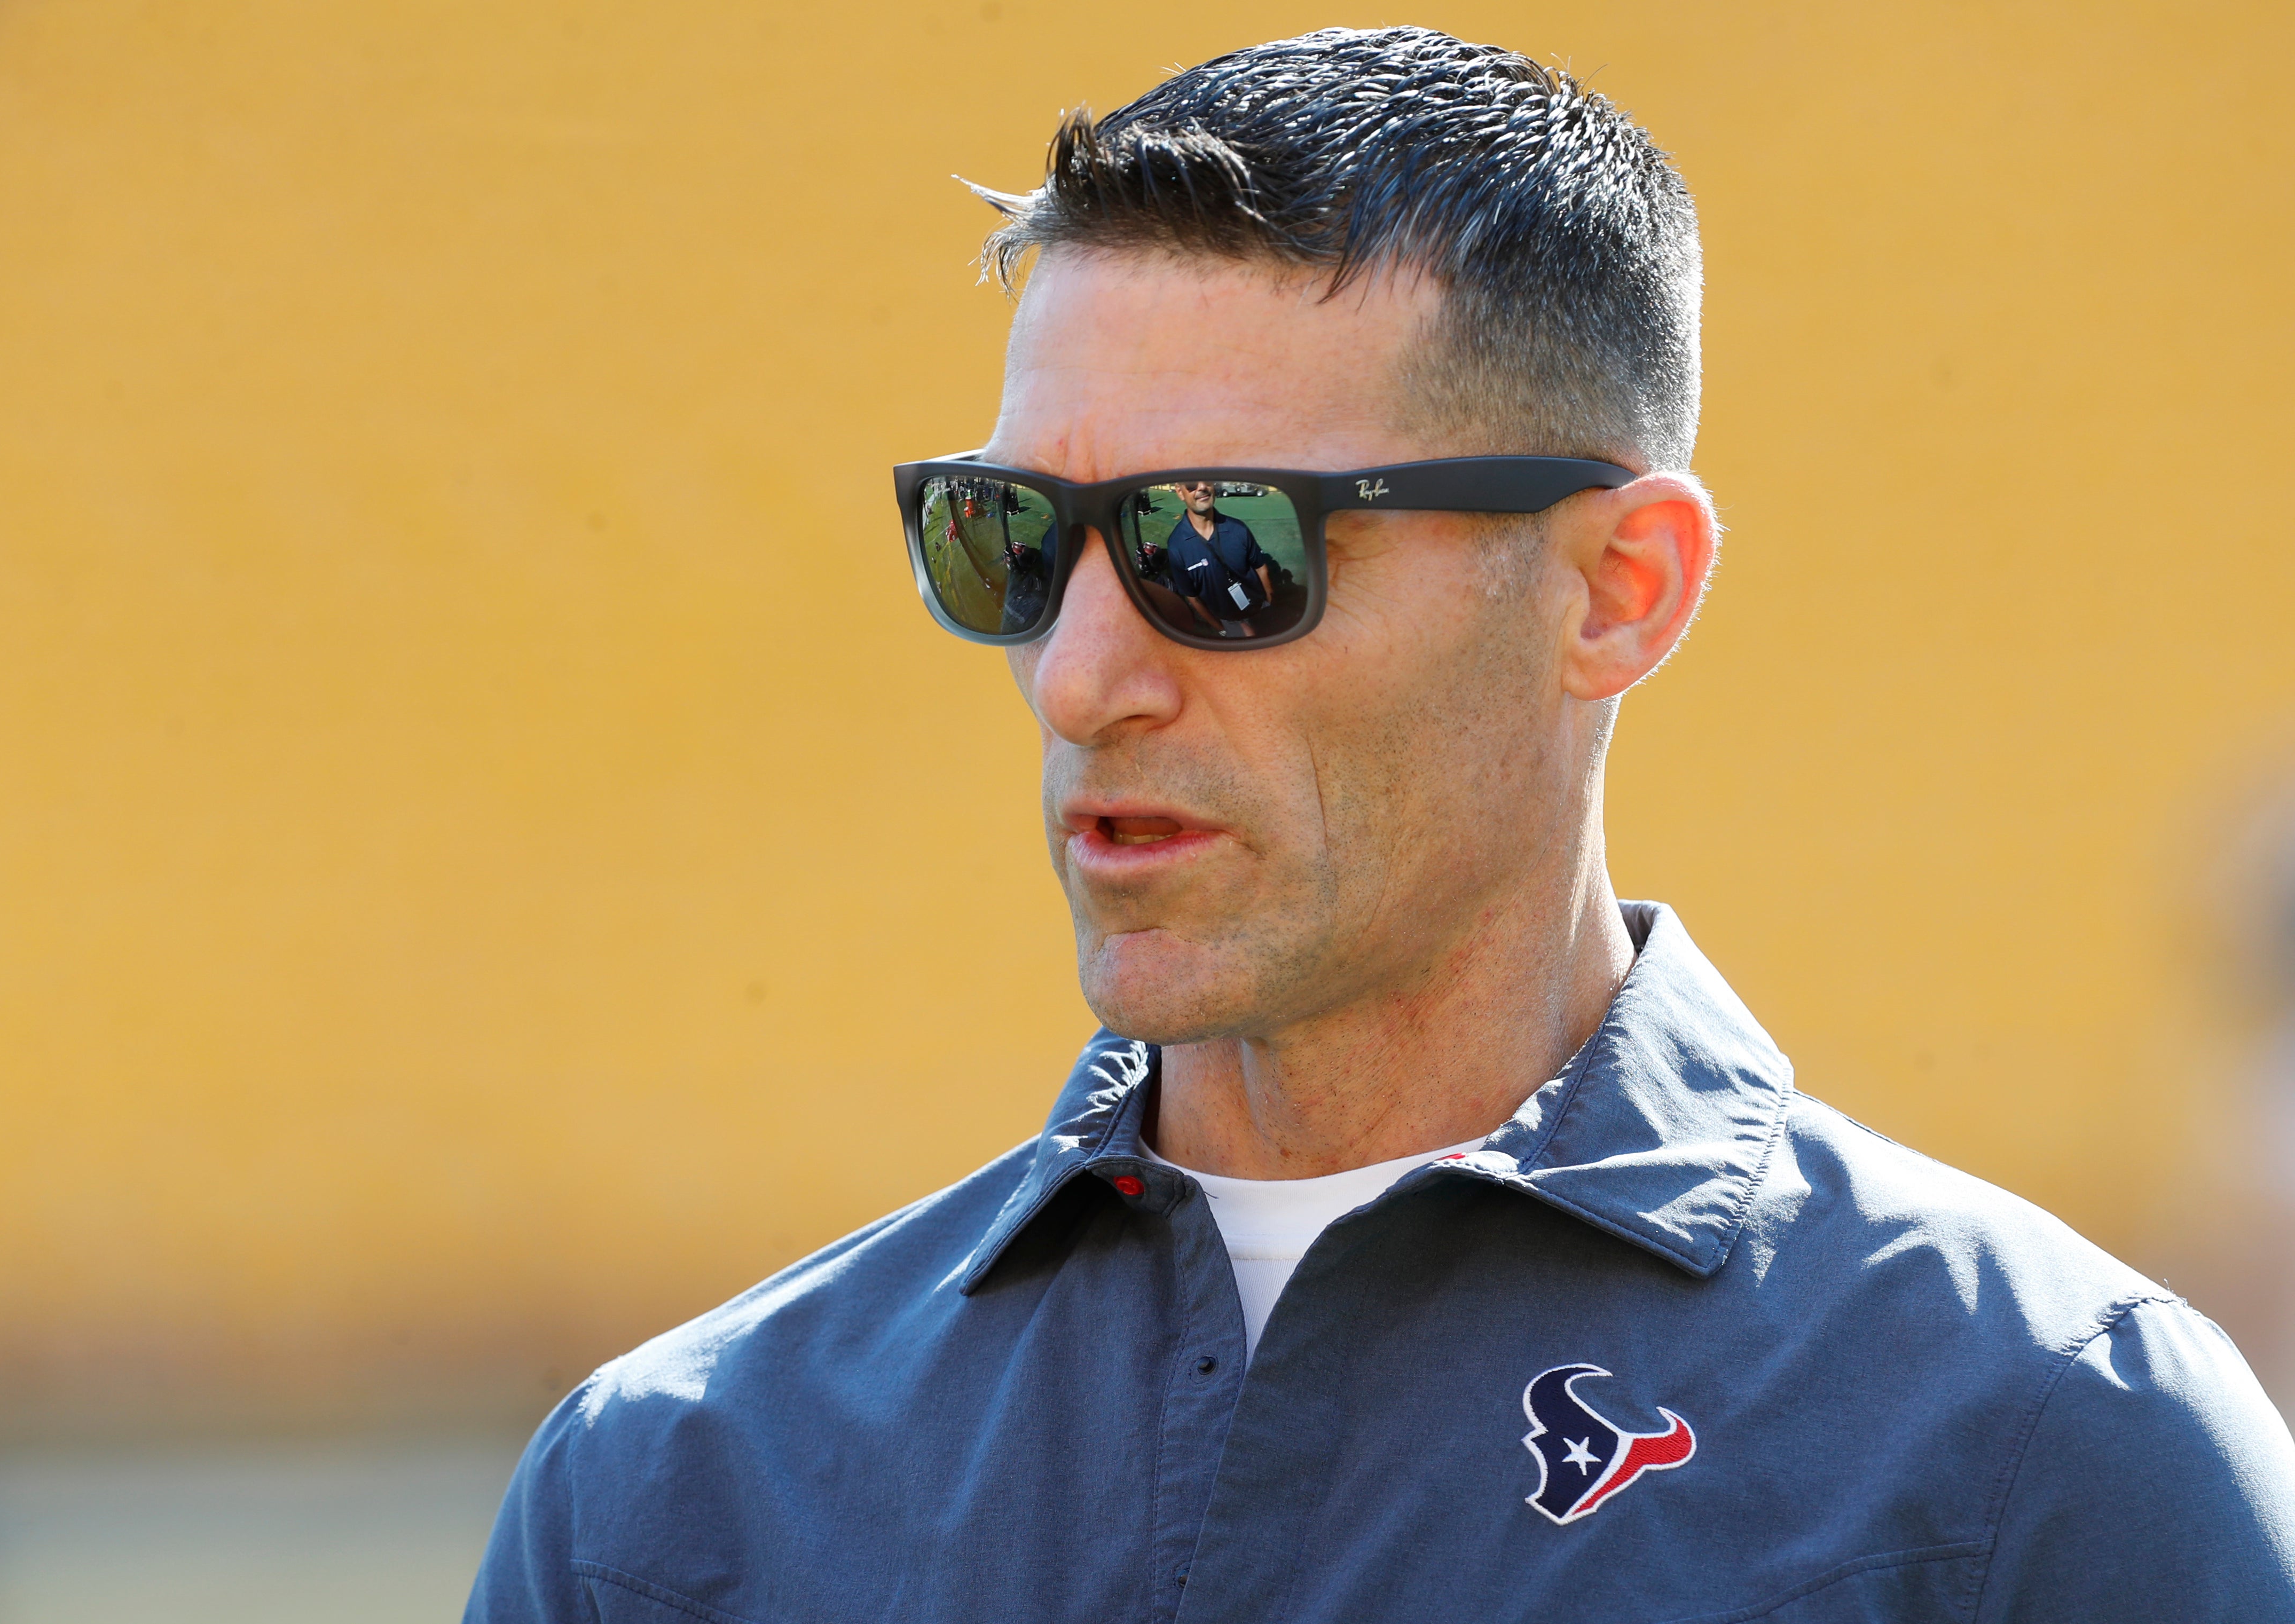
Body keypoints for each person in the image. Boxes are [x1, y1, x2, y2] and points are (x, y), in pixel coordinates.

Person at [468, 27, 2295, 1623]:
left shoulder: (2039, 1455)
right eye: (1010, 543)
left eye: (1216, 547)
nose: (1078, 674)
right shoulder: (674, 1504)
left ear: (1614, 590)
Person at [1162, 480, 1274, 636]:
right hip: (1228, 622)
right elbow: (1193, 598)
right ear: (1180, 492)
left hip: (1260, 610)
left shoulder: (1238, 529)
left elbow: (1261, 567)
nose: (1202, 487)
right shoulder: (1177, 546)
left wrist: (1269, 604)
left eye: (1207, 480)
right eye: (1192, 484)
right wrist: (1221, 629)